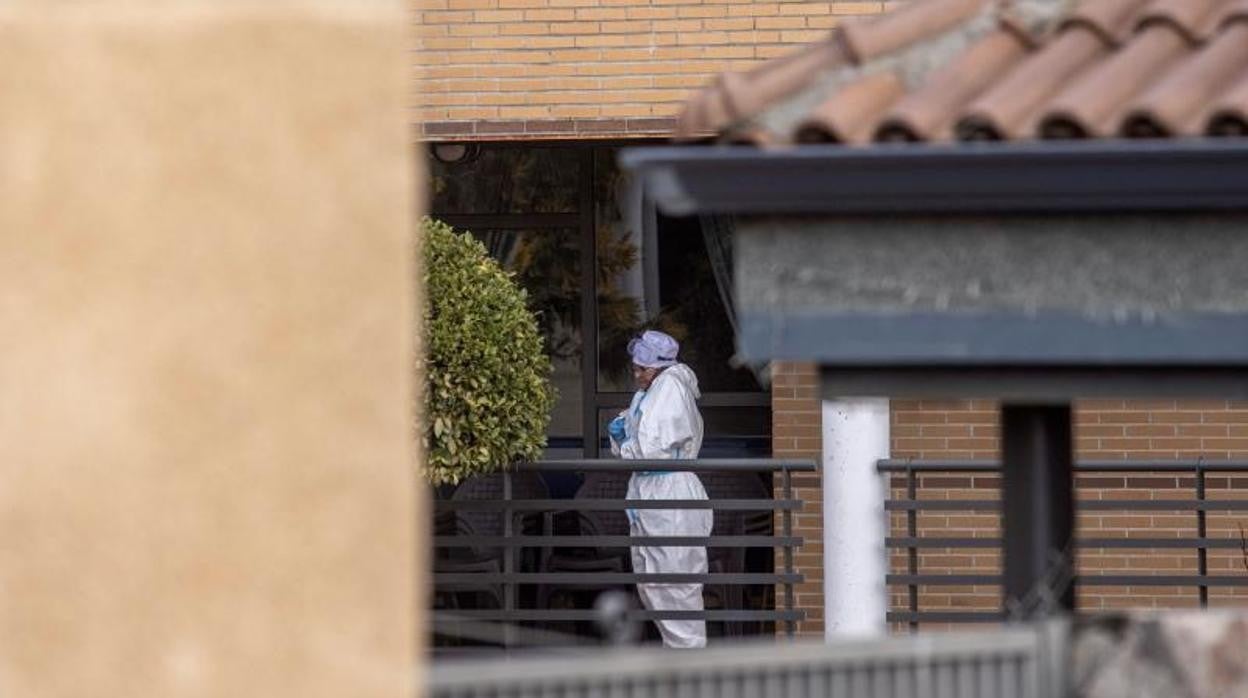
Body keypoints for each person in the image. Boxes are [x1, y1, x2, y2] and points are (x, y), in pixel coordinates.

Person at [607, 330, 711, 648]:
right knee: (653, 579)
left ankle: (688, 659)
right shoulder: (653, 390)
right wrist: (624, 435)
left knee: (674, 579)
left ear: (661, 365)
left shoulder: (670, 387)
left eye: (643, 368)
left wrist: (625, 441)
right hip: (651, 491)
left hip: (670, 495)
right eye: (636, 367)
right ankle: (677, 654)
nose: (637, 374)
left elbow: (650, 448)